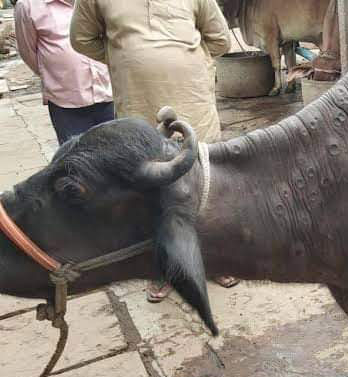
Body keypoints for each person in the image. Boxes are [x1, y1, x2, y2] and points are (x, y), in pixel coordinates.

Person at [70, 0, 239, 301]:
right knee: (151, 191)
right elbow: (82, 39)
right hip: (139, 105)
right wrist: (124, 59)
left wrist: (185, 63)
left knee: (206, 183)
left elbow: (220, 39)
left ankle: (214, 260)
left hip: (194, 104)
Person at [14, 0, 114, 145]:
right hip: (65, 101)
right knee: (76, 158)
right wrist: (55, 76)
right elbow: (28, 51)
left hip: (108, 93)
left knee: (116, 155)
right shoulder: (28, 5)